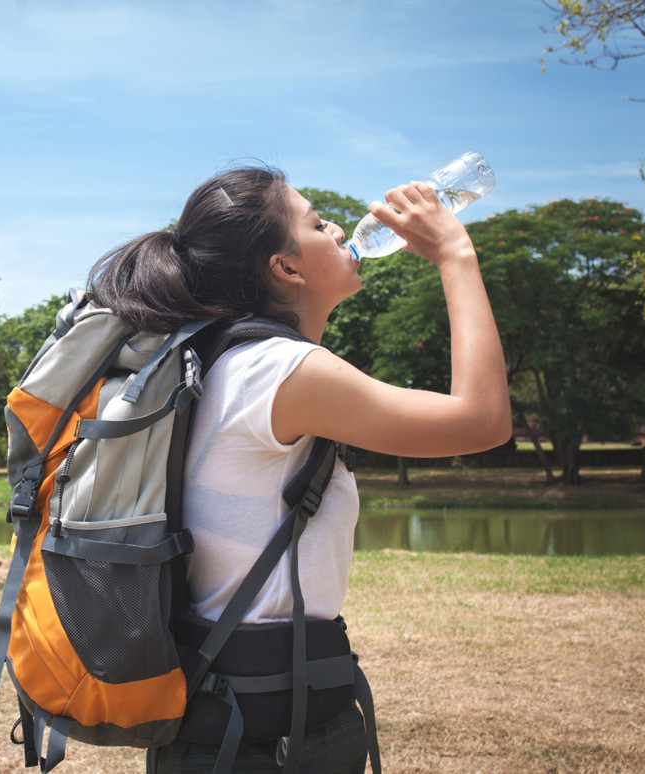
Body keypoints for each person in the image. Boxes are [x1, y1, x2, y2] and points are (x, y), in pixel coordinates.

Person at [86, 166, 511, 774]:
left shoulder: (221, 359)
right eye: (316, 223)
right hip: (260, 737)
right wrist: (455, 254)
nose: (339, 229)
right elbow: (483, 421)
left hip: (235, 719)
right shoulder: (279, 372)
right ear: (285, 268)